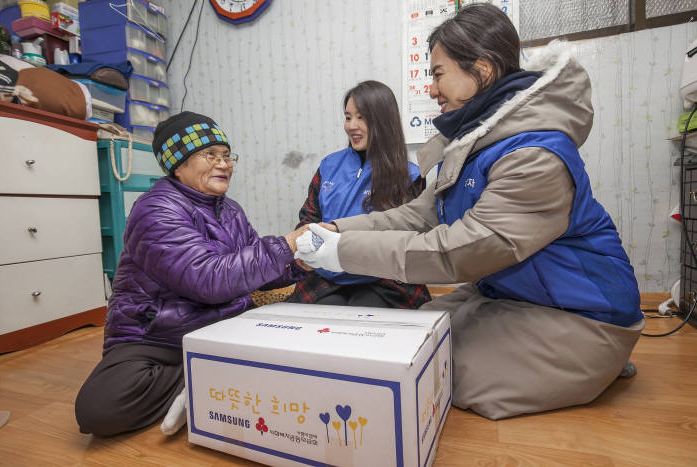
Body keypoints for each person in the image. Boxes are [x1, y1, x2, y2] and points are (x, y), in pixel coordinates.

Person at [296, 4, 645, 420]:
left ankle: (599, 358)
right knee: (406, 339)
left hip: (580, 312)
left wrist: (340, 251)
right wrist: (333, 228)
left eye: (438, 74)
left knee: (438, 372)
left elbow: (458, 252)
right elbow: (417, 215)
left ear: (481, 69)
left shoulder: (533, 155)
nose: (431, 89)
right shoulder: (473, 142)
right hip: (511, 293)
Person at [75, 111, 306, 436]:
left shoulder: (230, 210)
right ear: (178, 164)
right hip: (157, 336)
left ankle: (206, 378)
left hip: (225, 325)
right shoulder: (156, 210)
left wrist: (297, 263)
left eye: (227, 155)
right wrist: (284, 246)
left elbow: (255, 271)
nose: (224, 164)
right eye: (210, 155)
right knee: (98, 409)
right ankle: (207, 375)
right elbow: (207, 280)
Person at [285, 80, 431, 309]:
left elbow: (404, 237)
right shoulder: (328, 165)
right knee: (322, 316)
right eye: (347, 117)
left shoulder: (409, 175)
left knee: (365, 311)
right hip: (327, 276)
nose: (351, 125)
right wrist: (305, 247)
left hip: (383, 280)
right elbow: (309, 217)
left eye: (361, 117)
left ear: (383, 121)